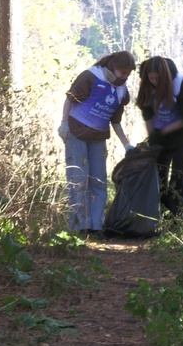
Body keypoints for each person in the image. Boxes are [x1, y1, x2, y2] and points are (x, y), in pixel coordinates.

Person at [58, 51, 136, 237]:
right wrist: (64, 123)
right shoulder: (91, 77)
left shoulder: (121, 91)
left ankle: (96, 226)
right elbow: (69, 99)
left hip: (98, 138)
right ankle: (79, 225)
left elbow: (115, 121)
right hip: (76, 132)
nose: (124, 76)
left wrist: (127, 145)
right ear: (112, 67)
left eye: (128, 73)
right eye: (122, 72)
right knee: (78, 178)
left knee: (98, 181)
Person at [136, 56, 183, 216]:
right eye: (151, 77)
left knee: (181, 173)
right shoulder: (146, 85)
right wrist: (153, 138)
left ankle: (178, 213)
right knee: (158, 171)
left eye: (157, 78)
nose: (154, 80)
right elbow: (147, 113)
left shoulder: (180, 84)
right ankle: (155, 211)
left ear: (165, 75)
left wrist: (164, 131)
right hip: (160, 132)